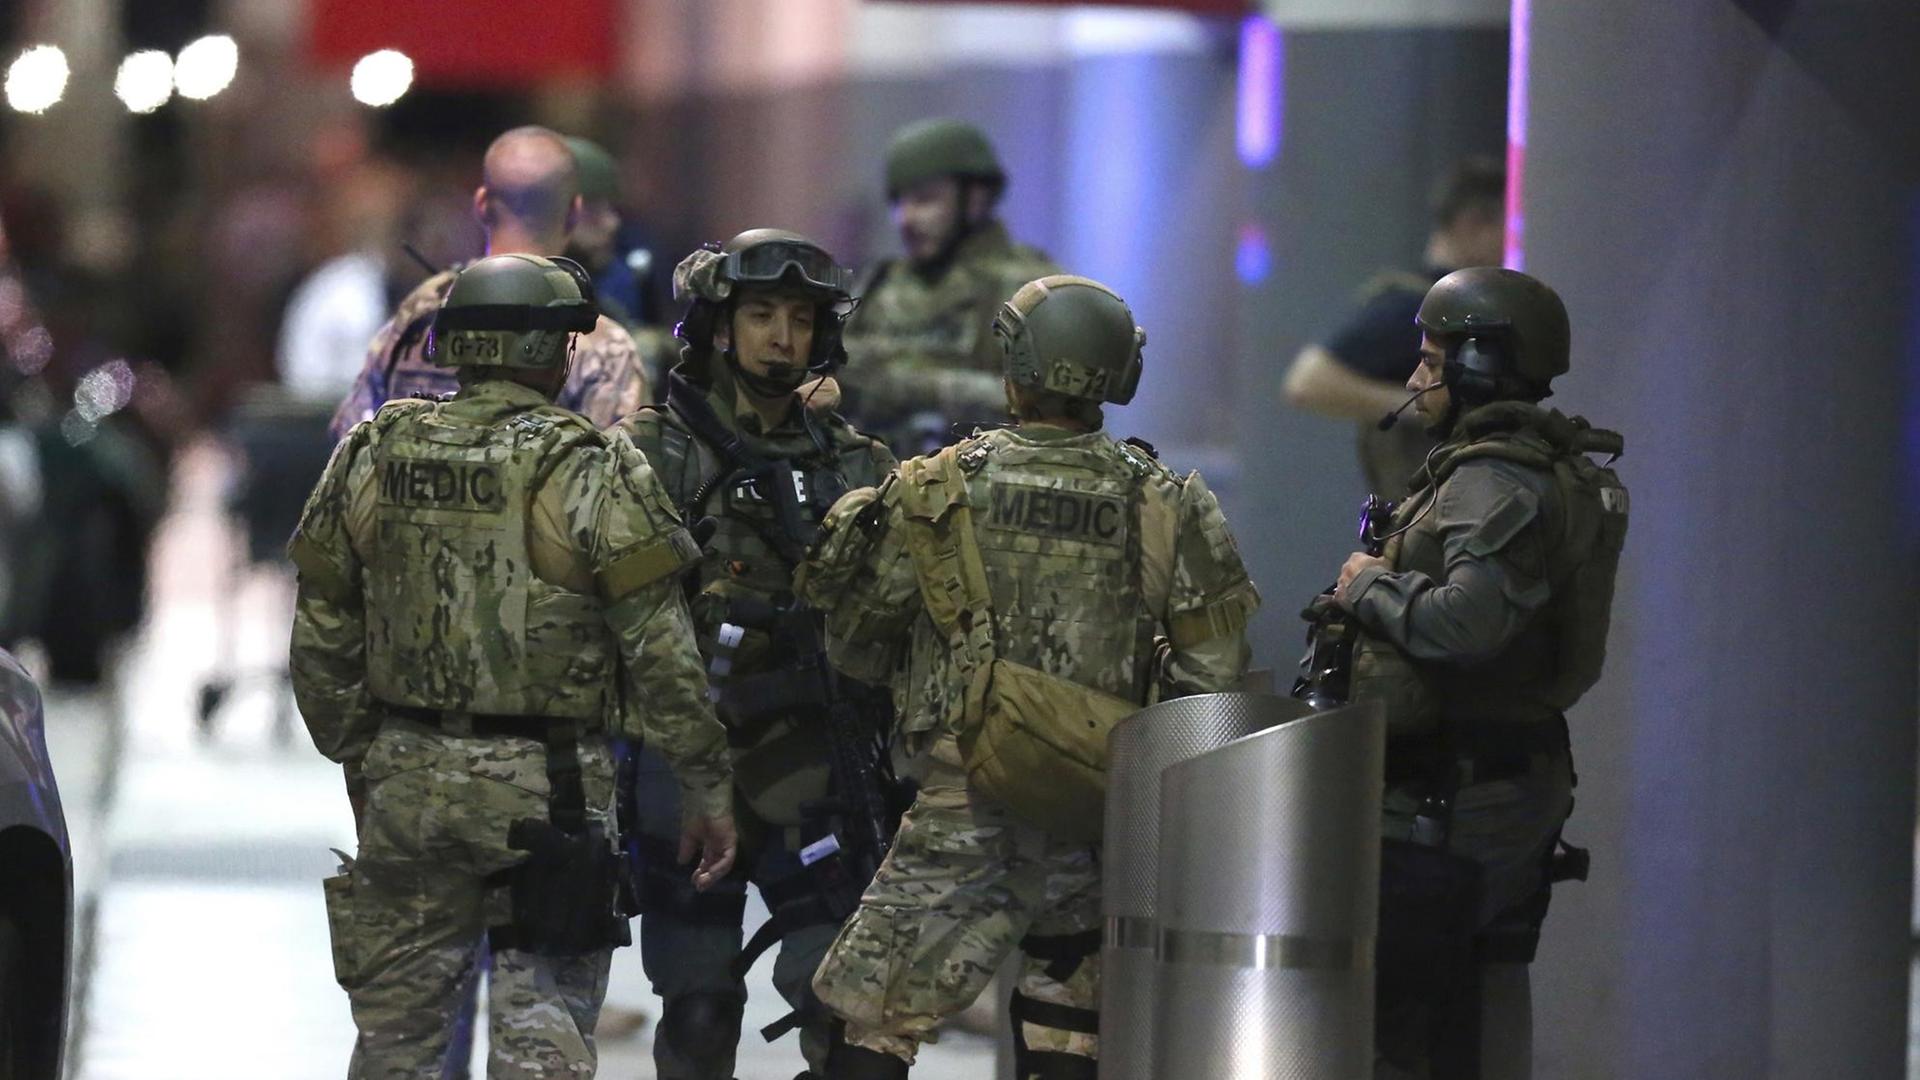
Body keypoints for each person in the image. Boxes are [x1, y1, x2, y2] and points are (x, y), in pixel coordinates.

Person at [797, 274, 1262, 1078]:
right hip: (1101, 807)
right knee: (1066, 1015)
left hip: (963, 799)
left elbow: (858, 644)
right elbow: (1212, 681)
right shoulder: (1167, 501)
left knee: (867, 1013)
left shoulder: (939, 487)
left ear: (1014, 368)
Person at [289, 252, 739, 1077]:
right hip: (552, 792)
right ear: (549, 352)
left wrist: (362, 749)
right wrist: (705, 784)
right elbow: (660, 648)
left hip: (406, 780)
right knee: (543, 1045)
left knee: (396, 1043)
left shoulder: (376, 448)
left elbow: (322, 620)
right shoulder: (590, 466)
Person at [1327, 267, 1628, 1079]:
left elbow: (1467, 623)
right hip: (1492, 783)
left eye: (1431, 358)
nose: (1416, 375)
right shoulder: (1510, 466)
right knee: (1476, 1010)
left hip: (1452, 797)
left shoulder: (1494, 479)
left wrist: (1367, 585)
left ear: (1478, 366)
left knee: (1405, 1031)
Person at [619, 230, 897, 1080]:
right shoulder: (652, 452)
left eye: (803, 318)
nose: (783, 336)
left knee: (853, 1018)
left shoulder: (858, 463)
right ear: (718, 324)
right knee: (700, 1017)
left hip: (817, 770)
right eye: (763, 314)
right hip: (685, 764)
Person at [328, 125, 649, 440]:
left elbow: (351, 437)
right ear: (573, 213)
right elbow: (618, 477)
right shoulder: (601, 344)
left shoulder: (417, 312)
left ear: (481, 204)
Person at [1282, 156, 1506, 496]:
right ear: (1472, 224)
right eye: (1508, 226)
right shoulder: (1413, 307)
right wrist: (1420, 407)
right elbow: (1306, 381)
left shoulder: (1443, 305)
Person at [840, 118, 1061, 453]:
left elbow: (1054, 406)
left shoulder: (1032, 290)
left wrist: (899, 387)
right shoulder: (877, 286)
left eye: (925, 200)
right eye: (898, 202)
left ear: (976, 198)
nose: (905, 218)